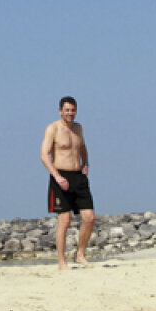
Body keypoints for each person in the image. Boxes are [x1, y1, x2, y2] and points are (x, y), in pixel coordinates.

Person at [40, 96, 96, 269]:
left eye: (73, 110)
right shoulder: (53, 129)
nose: (70, 113)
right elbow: (44, 155)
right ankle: (61, 261)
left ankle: (80, 254)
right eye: (67, 110)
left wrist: (85, 163)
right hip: (60, 176)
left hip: (78, 176)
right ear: (60, 111)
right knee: (65, 220)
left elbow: (82, 147)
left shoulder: (78, 128)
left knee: (89, 218)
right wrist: (56, 176)